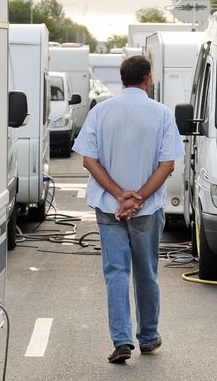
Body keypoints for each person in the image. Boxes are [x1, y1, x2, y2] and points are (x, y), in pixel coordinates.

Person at [72, 55, 184, 364]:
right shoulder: (161, 114)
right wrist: (140, 198)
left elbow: (88, 160)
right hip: (146, 211)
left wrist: (120, 196)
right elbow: (168, 164)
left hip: (110, 207)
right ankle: (148, 337)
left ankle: (121, 340)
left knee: (116, 272)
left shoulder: (101, 112)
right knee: (146, 272)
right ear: (148, 78)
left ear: (122, 79)